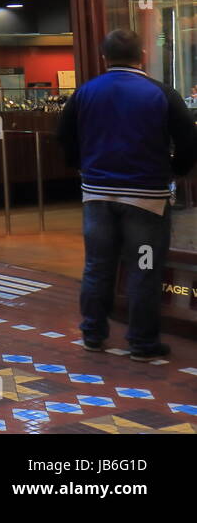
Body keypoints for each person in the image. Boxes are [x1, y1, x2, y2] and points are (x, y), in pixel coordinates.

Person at [57, 28, 197, 362]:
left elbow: (63, 136)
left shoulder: (85, 92)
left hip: (97, 196)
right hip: (146, 199)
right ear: (142, 56)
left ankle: (92, 334)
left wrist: (81, 165)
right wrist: (175, 170)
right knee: (145, 267)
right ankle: (142, 342)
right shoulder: (160, 93)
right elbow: (189, 140)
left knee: (97, 265)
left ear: (105, 57)